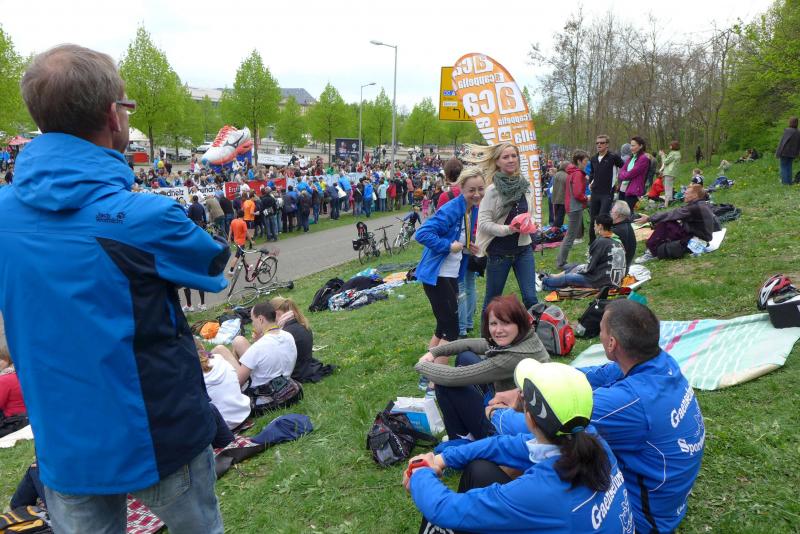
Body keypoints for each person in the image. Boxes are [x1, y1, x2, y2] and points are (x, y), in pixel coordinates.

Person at [0, 44, 227, 533]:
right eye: (128, 106)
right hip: (156, 436)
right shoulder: (144, 217)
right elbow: (212, 262)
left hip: (63, 442)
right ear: (112, 115)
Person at [488, 300, 705, 533]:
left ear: (612, 343)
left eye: (600, 329)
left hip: (643, 521)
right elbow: (593, 375)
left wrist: (494, 413)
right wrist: (536, 386)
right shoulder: (658, 362)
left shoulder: (628, 401)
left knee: (558, 442)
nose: (598, 335)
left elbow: (548, 423)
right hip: (667, 503)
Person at [405, 358, 634, 534]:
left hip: (554, 507)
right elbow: (504, 445)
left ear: (530, 419)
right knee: (480, 470)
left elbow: (445, 509)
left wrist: (420, 472)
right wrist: (443, 459)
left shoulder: (539, 491)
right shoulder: (590, 439)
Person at [415, 295, 548, 442]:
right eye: (493, 323)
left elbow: (453, 377)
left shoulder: (515, 356)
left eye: (506, 323)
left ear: (519, 323)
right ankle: (466, 432)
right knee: (465, 356)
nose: (498, 330)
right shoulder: (526, 338)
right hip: (508, 403)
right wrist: (434, 352)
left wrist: (422, 365)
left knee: (444, 383)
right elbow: (472, 344)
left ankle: (460, 439)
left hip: (505, 426)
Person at [415, 167, 486, 355]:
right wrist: (448, 246)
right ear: (461, 188)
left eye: (480, 189)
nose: (477, 194)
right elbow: (422, 234)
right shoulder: (452, 208)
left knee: (443, 327)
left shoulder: (472, 208)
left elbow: (457, 235)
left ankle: (426, 369)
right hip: (437, 276)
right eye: (471, 190)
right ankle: (437, 373)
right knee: (452, 331)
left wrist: (467, 246)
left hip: (452, 274)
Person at [464, 142, 539, 311]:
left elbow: (531, 213)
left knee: (531, 298)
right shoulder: (492, 190)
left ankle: (536, 328)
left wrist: (531, 223)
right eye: (505, 157)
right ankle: (487, 329)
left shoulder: (526, 185)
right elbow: (483, 223)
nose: (511, 160)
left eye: (514, 156)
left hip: (523, 250)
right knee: (492, 301)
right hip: (499, 253)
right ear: (497, 161)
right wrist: (508, 229)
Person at [212, 302, 297, 389]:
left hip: (261, 390)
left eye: (253, 320)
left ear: (260, 319)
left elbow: (237, 383)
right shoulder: (288, 335)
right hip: (283, 383)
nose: (252, 324)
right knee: (239, 340)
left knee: (220, 349)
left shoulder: (259, 347)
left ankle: (208, 382)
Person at [542, 214, 626, 290]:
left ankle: (544, 280)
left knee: (570, 277)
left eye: (595, 225)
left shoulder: (601, 242)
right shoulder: (617, 240)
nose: (594, 227)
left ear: (600, 226)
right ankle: (552, 280)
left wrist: (578, 271)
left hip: (601, 281)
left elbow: (589, 268)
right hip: (615, 280)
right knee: (576, 266)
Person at [635, 184, 716, 263]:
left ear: (695, 195)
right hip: (701, 238)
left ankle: (651, 252)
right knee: (670, 223)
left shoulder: (694, 208)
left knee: (666, 223)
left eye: (686, 193)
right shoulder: (702, 204)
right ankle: (656, 247)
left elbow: (671, 214)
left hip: (695, 240)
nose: (684, 195)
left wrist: (649, 218)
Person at [270, 297, 334, 383]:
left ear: (276, 313)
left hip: (296, 373)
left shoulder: (285, 332)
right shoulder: (299, 323)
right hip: (304, 367)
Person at [197, 342, 251, 430]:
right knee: (220, 348)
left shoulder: (189, 375)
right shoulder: (218, 358)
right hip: (244, 411)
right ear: (202, 347)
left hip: (221, 426)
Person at [556, 150, 590, 270]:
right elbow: (577, 193)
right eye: (585, 161)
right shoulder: (578, 174)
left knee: (570, 235)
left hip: (571, 206)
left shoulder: (572, 172)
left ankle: (561, 261)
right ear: (579, 161)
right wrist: (586, 198)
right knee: (570, 236)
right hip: (575, 207)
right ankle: (561, 263)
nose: (586, 163)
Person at [588, 135, 624, 243]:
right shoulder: (593, 158)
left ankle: (603, 242)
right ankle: (592, 244)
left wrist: (618, 182)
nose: (599, 144)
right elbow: (592, 173)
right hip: (595, 193)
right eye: (597, 143)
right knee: (593, 220)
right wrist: (590, 182)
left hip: (607, 193)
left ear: (607, 144)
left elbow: (624, 168)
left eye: (602, 143)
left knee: (602, 218)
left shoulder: (613, 157)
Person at [0, 342, 28, 437]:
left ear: (9, 359)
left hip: (13, 421)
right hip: (29, 416)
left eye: (0, 359)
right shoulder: (24, 373)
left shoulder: (4, 379)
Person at [617, 136, 650, 212]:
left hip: (633, 189)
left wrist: (624, 174)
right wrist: (624, 174)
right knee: (621, 212)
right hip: (623, 188)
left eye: (633, 145)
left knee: (628, 212)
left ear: (640, 146)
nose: (631, 148)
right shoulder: (631, 158)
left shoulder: (643, 159)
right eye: (631, 145)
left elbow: (630, 174)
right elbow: (621, 171)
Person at [610, 200, 637, 271]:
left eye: (612, 212)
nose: (610, 213)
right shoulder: (626, 225)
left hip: (616, 271)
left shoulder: (617, 231)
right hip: (624, 266)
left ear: (618, 215)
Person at [776, 116, 800, 185]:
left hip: (785, 152)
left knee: (784, 167)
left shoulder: (787, 131)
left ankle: (785, 183)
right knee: (789, 167)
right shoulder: (798, 132)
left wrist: (778, 153)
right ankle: (789, 182)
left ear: (790, 122)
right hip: (793, 153)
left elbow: (782, 143)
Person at [659, 141, 681, 207]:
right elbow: (670, 160)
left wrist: (662, 155)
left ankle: (666, 204)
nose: (669, 146)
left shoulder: (673, 153)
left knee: (667, 189)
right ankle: (670, 202)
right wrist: (665, 155)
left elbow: (665, 162)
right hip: (673, 173)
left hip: (669, 172)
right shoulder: (678, 153)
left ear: (673, 146)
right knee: (670, 188)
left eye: (670, 145)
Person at [550, 162, 568, 228]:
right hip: (562, 199)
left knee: (557, 215)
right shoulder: (567, 175)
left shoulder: (556, 175)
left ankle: (556, 229)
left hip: (555, 198)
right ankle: (554, 230)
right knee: (560, 217)